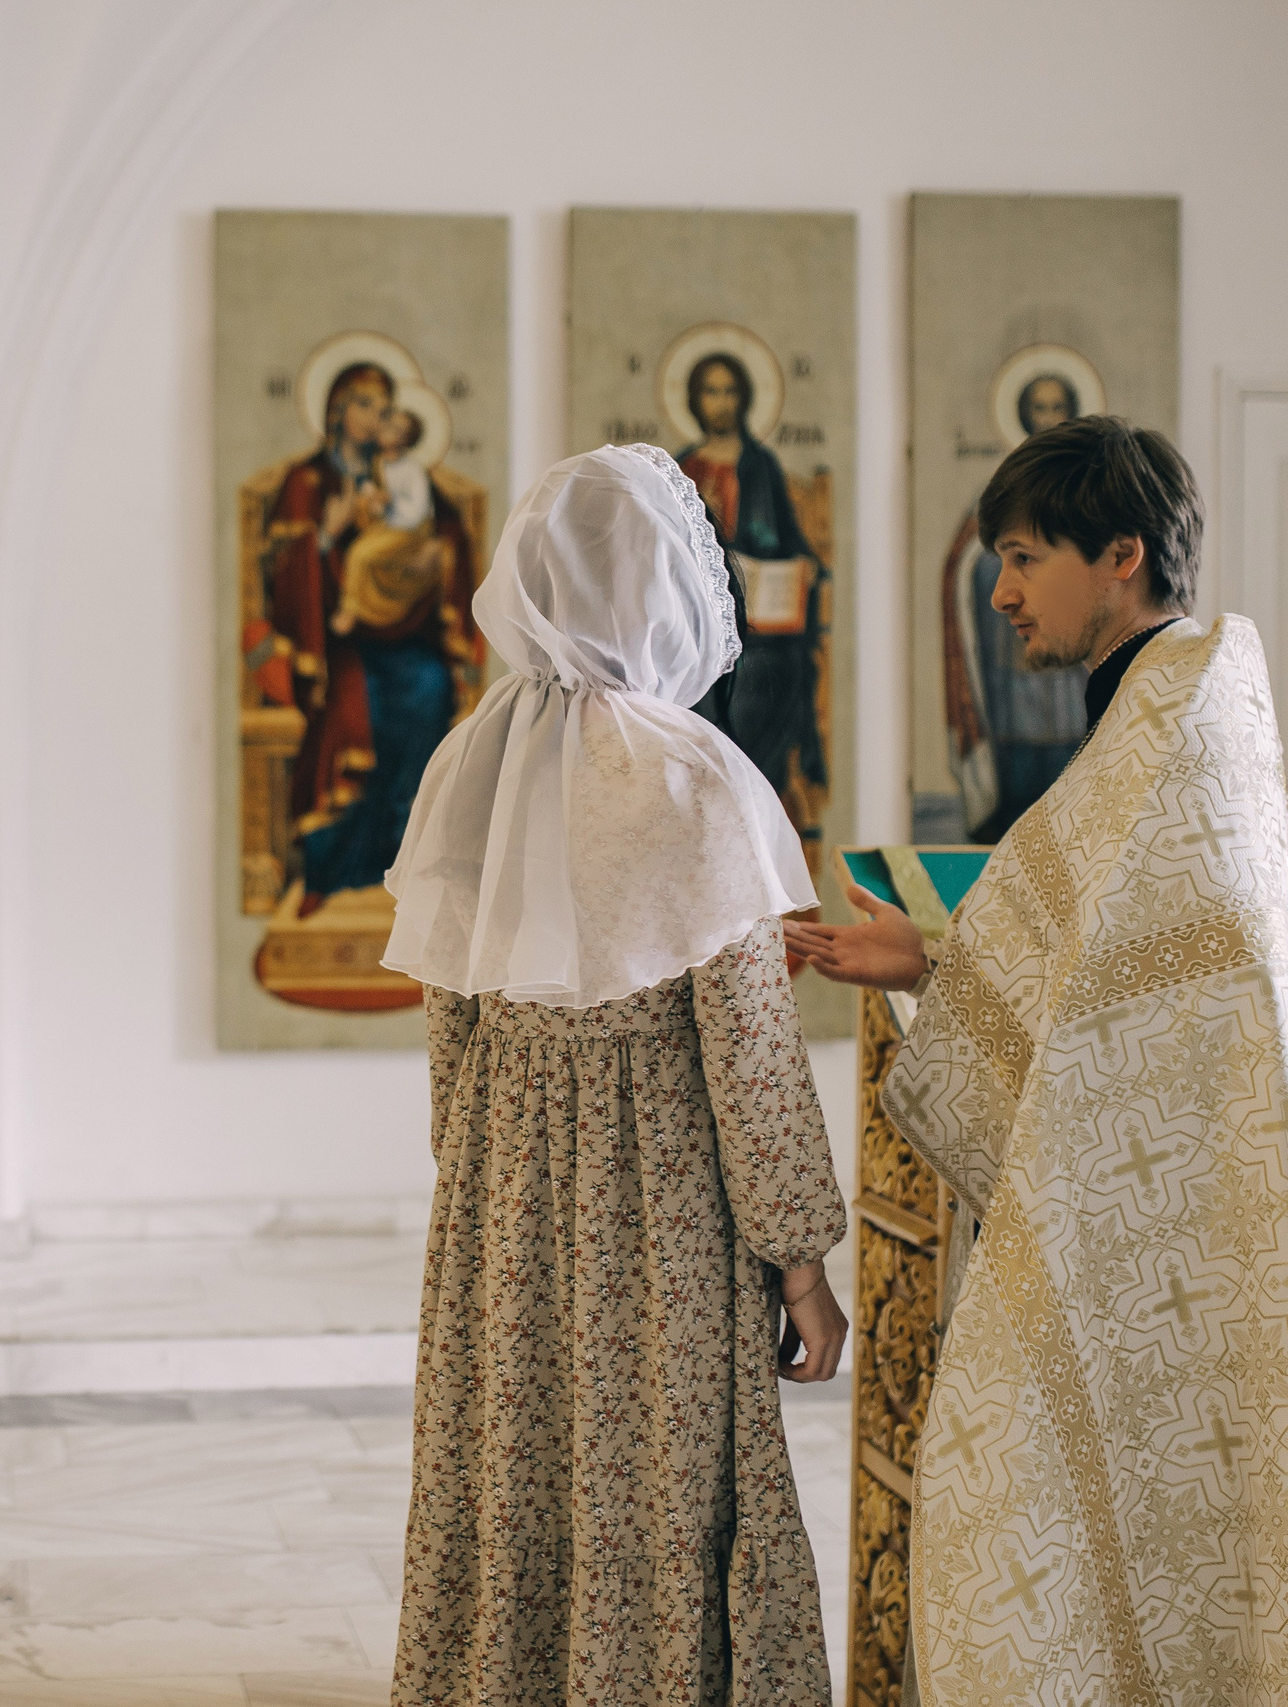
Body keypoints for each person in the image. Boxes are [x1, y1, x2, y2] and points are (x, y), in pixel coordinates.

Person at [787, 418, 1288, 1705]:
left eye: (1020, 557)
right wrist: (938, 958)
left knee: (1008, 1486)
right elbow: (1113, 954)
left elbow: (1151, 976)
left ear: (1119, 555)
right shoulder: (1160, 718)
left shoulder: (1178, 724)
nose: (998, 593)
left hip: (1157, 1220)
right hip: (1142, 1207)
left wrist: (950, 958)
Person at [382, 443, 850, 1705]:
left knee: (512, 1470)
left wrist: (494, 1179)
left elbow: (450, 1043)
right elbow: (749, 1061)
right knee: (657, 1485)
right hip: (660, 1220)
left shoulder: (468, 770)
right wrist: (801, 1263)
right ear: (667, 592)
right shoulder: (698, 783)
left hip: (501, 1207)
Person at [261, 361, 481, 916]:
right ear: (335, 411)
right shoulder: (307, 482)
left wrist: (441, 553)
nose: (375, 417)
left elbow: (448, 531)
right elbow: (279, 575)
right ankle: (328, 872)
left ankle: (406, 864)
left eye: (384, 408)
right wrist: (327, 537)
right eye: (362, 404)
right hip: (337, 646)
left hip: (409, 640)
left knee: (431, 691)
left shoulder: (404, 473)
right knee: (350, 713)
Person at [673, 352, 830, 858]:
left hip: (766, 636)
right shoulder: (684, 467)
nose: (721, 403)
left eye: (729, 391)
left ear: (744, 398)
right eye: (710, 392)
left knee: (772, 673)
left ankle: (755, 821)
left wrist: (804, 566)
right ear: (695, 401)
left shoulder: (761, 466)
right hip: (706, 633)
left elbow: (789, 539)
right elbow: (666, 553)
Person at [939, 371, 1090, 840]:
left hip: (1072, 671)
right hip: (1013, 664)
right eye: (1039, 409)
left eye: (1057, 408)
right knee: (1019, 798)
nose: (1048, 420)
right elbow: (964, 565)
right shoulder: (1000, 489)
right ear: (1024, 415)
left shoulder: (1089, 493)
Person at [331, 405, 449, 638]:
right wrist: (371, 500)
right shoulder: (377, 463)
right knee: (355, 550)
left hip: (410, 532)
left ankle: (349, 611)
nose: (386, 429)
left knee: (360, 554)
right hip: (388, 527)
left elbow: (417, 512)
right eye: (387, 423)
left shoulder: (412, 470)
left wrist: (389, 502)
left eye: (396, 429)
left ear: (405, 440)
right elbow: (370, 494)